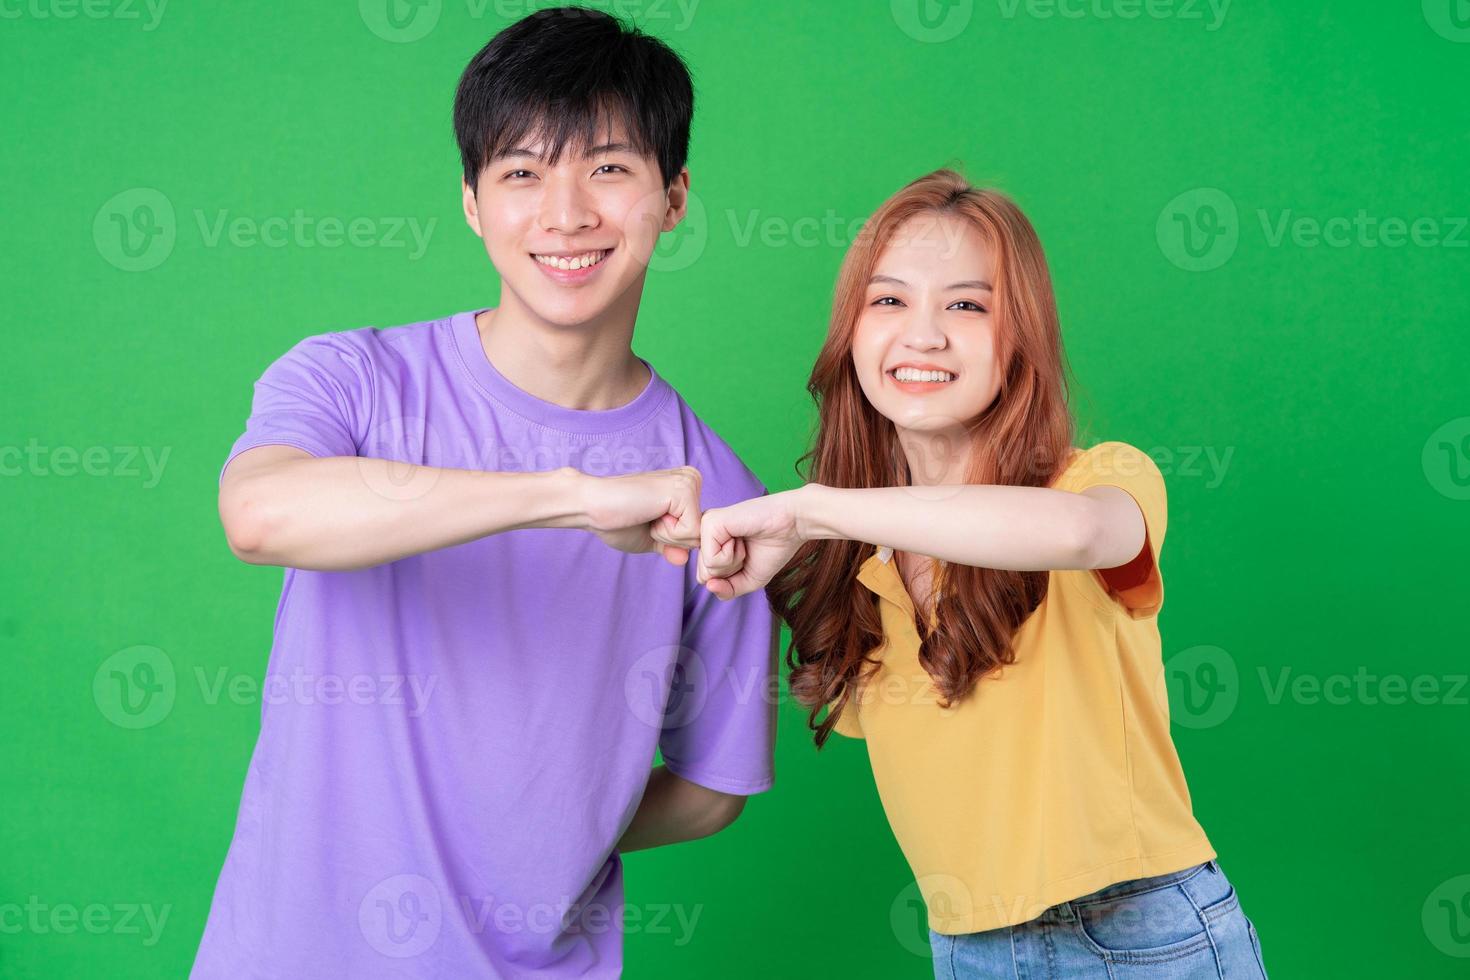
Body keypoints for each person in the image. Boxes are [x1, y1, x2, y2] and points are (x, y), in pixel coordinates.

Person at [191, 9, 776, 978]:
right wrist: (570, 496)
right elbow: (261, 514)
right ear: (471, 200)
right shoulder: (351, 381)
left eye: (610, 167)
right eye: (521, 172)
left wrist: (532, 827)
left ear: (674, 198)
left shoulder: (716, 494)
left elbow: (714, 788)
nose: (566, 213)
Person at [695, 170, 1268, 977]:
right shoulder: (854, 570)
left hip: (1142, 932)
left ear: (1020, 337)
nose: (923, 335)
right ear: (849, 332)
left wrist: (820, 510)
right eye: (888, 301)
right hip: (969, 948)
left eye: (967, 305)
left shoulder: (1098, 481)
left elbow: (1077, 535)